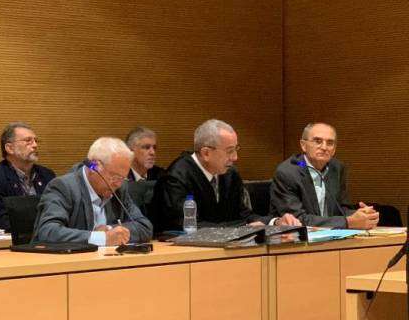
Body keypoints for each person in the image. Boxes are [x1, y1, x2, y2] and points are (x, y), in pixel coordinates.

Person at [155, 119, 300, 232]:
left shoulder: (230, 173)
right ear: (206, 153)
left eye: (236, 149)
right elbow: (188, 227)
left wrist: (275, 222)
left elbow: (244, 216)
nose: (235, 157)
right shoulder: (176, 177)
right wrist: (241, 229)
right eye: (230, 151)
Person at [32, 137, 153, 245]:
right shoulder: (64, 187)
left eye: (123, 178)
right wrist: (100, 238)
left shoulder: (120, 189)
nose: (118, 183)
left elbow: (144, 227)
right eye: (115, 177)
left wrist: (110, 230)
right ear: (94, 167)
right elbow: (48, 231)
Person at [269, 123, 379, 229]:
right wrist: (349, 222)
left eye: (330, 143)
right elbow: (297, 220)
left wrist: (363, 215)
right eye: (318, 141)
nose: (324, 147)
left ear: (334, 149)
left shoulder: (336, 168)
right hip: (295, 240)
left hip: (332, 235)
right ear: (303, 145)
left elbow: (341, 209)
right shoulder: (288, 172)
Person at [0, 122, 55, 230]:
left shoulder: (47, 175)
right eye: (28, 141)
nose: (35, 145)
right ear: (10, 148)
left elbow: (59, 211)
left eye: (35, 141)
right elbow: (0, 222)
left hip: (49, 238)